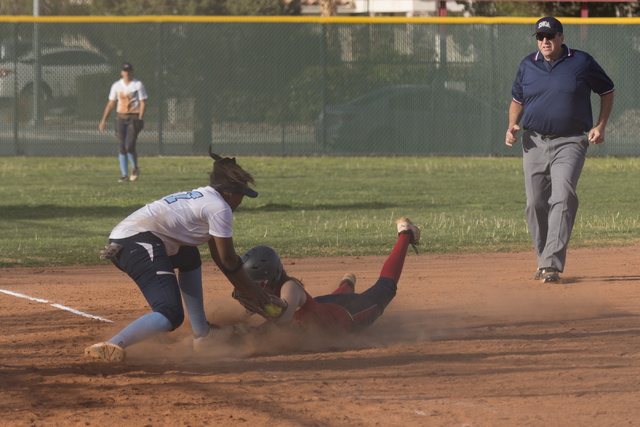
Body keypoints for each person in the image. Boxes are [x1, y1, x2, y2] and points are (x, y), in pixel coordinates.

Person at [84, 151, 277, 362]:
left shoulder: (207, 197)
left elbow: (221, 258)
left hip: (131, 240)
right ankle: (113, 344)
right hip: (138, 243)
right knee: (170, 314)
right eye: (242, 194)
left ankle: (202, 335)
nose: (242, 200)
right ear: (231, 192)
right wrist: (251, 289)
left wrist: (243, 288)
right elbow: (230, 259)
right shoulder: (220, 207)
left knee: (189, 256)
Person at [506, 16, 614, 283]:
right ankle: (544, 259)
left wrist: (600, 126)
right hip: (533, 142)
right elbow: (517, 100)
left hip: (571, 141)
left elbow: (607, 90)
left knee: (563, 196)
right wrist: (511, 125)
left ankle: (551, 264)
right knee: (535, 204)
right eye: (540, 37)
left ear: (561, 37)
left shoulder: (581, 61)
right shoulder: (527, 65)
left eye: (549, 36)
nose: (544, 41)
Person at [232, 218, 420, 335]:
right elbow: (238, 319)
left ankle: (405, 232)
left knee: (385, 288)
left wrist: (253, 332)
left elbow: (282, 322)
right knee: (332, 300)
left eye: (258, 284)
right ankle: (347, 283)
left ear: (272, 277)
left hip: (344, 317)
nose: (254, 288)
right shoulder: (263, 291)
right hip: (321, 307)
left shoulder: (290, 287)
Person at [99, 62, 147, 183]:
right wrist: (104, 119)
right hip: (120, 117)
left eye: (129, 70)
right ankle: (124, 175)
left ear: (132, 72)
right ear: (121, 72)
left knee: (129, 145)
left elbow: (142, 102)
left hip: (133, 117)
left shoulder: (137, 84)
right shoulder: (116, 85)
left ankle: (135, 168)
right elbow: (111, 103)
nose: (127, 73)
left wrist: (140, 118)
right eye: (125, 71)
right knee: (121, 146)